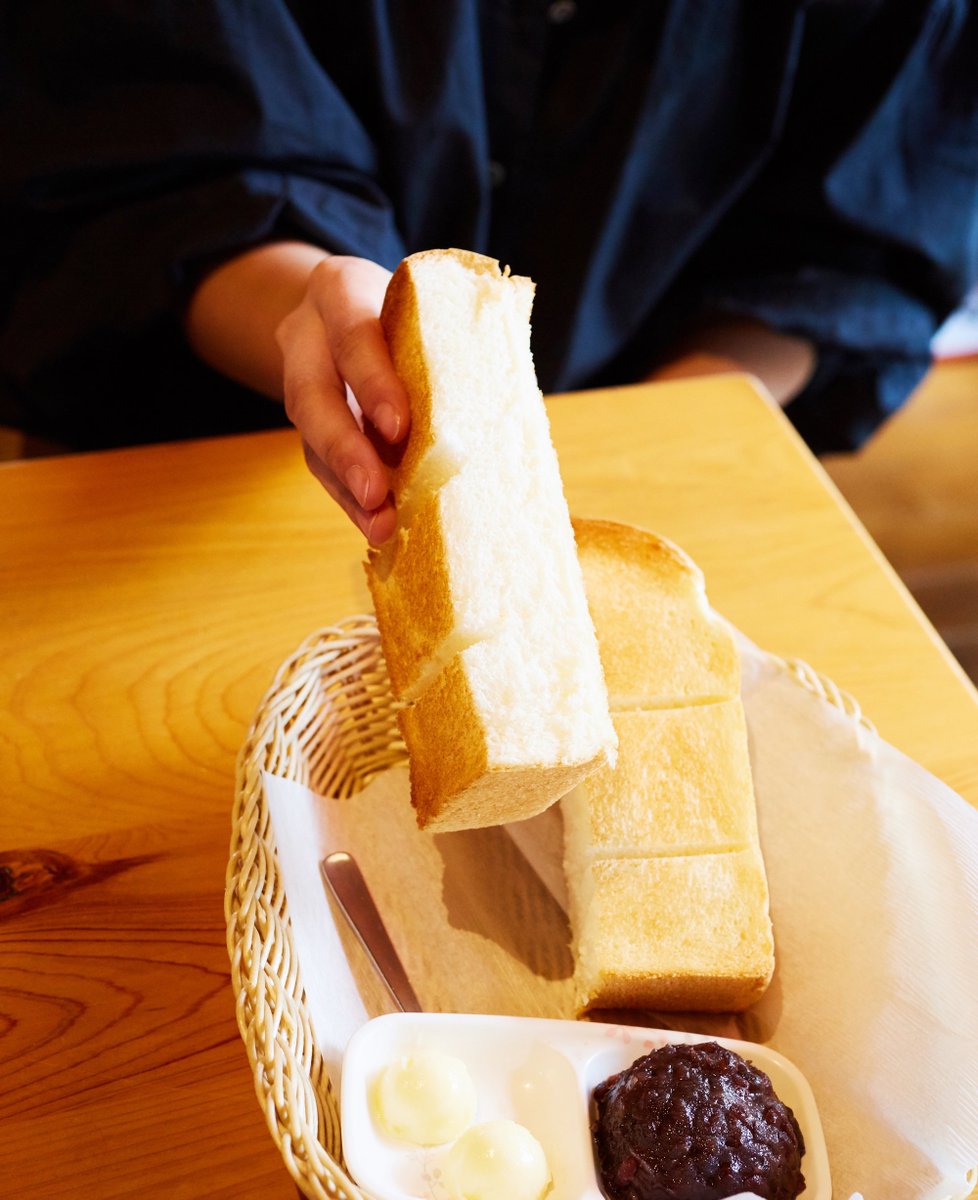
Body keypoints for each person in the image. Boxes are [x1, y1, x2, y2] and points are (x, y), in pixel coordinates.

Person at [2, 0, 976, 543]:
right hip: (183, 458)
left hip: (662, 452)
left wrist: (654, 435)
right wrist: (307, 303)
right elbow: (139, 159)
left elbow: (862, 230)